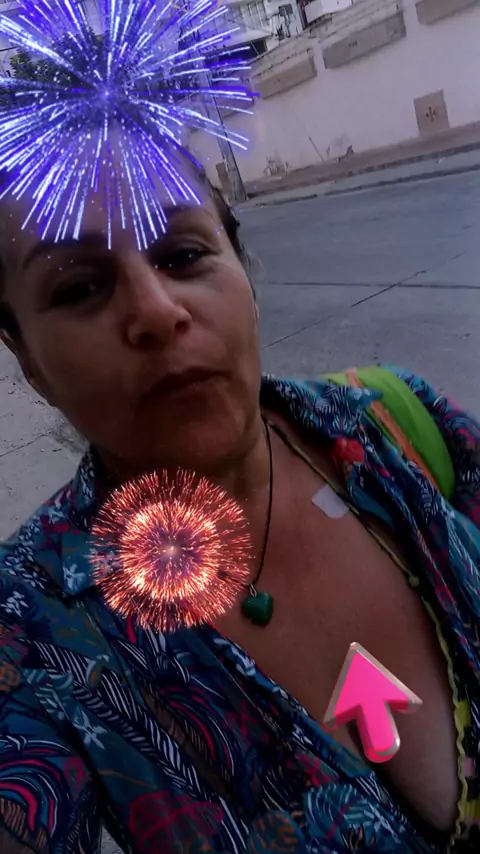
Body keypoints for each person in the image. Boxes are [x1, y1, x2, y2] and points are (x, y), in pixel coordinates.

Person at [0, 161, 479, 854]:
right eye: (79, 287)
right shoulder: (32, 630)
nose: (157, 311)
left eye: (182, 254)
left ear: (243, 272)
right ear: (26, 358)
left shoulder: (397, 430)